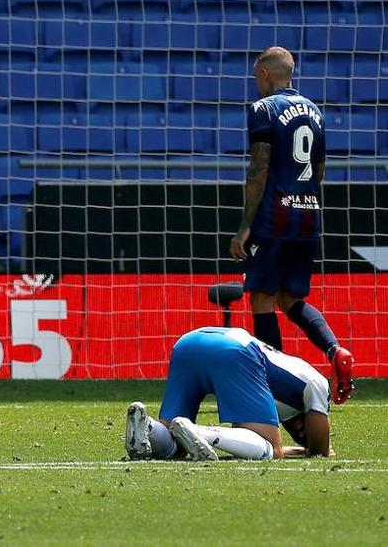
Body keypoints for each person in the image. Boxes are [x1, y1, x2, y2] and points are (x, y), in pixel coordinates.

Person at [228, 46, 353, 403]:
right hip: (308, 213)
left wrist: (246, 224)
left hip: (275, 215)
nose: (255, 83)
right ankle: (334, 350)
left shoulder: (263, 109)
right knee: (290, 297)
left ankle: (274, 389)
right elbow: (321, 167)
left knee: (262, 299)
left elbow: (260, 168)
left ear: (266, 74)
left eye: (256, 76)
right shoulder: (315, 112)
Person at [125, 326, 332, 461]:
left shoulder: (291, 378)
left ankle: (147, 427)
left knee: (174, 444)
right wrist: (309, 449)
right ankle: (200, 432)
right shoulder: (320, 384)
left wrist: (298, 449)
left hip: (187, 343)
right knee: (272, 451)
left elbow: (243, 439)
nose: (301, 434)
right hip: (233, 350)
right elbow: (321, 451)